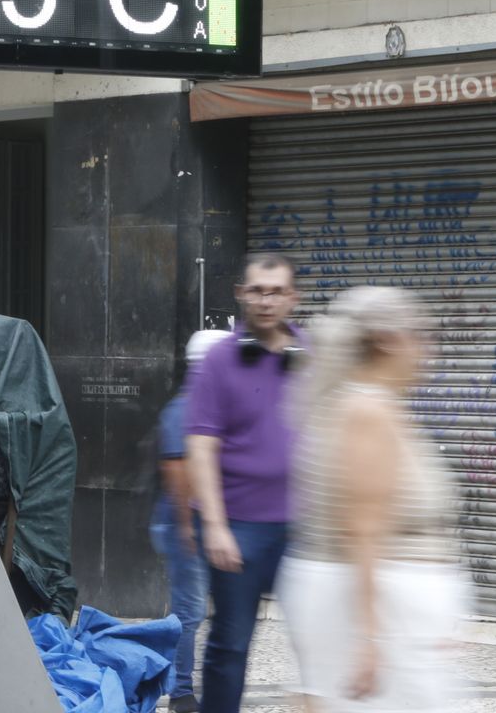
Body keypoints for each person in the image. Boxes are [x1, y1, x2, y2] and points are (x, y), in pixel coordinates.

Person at [277, 286, 467, 711]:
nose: (428, 347)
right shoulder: (367, 413)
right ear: (386, 340)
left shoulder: (370, 407)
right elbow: (361, 530)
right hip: (376, 616)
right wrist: (370, 639)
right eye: (419, 334)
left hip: (388, 615)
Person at [184, 253, 304, 713]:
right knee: (231, 644)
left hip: (302, 528)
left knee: (320, 639)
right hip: (239, 526)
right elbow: (201, 446)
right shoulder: (218, 360)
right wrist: (214, 526)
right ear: (241, 294)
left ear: (292, 298)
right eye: (256, 290)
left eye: (275, 291)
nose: (265, 300)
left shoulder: (310, 355)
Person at [150, 330, 230, 713]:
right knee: (190, 611)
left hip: (198, 523)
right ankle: (180, 692)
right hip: (185, 524)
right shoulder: (184, 409)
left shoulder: (204, 407)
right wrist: (186, 529)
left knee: (197, 610)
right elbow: (177, 473)